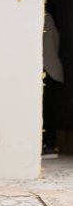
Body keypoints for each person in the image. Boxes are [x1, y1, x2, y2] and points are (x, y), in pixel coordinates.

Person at [42, 12, 64, 159]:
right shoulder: (51, 18)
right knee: (48, 108)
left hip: (46, 68)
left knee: (46, 109)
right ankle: (49, 145)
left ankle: (49, 145)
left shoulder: (44, 17)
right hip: (51, 69)